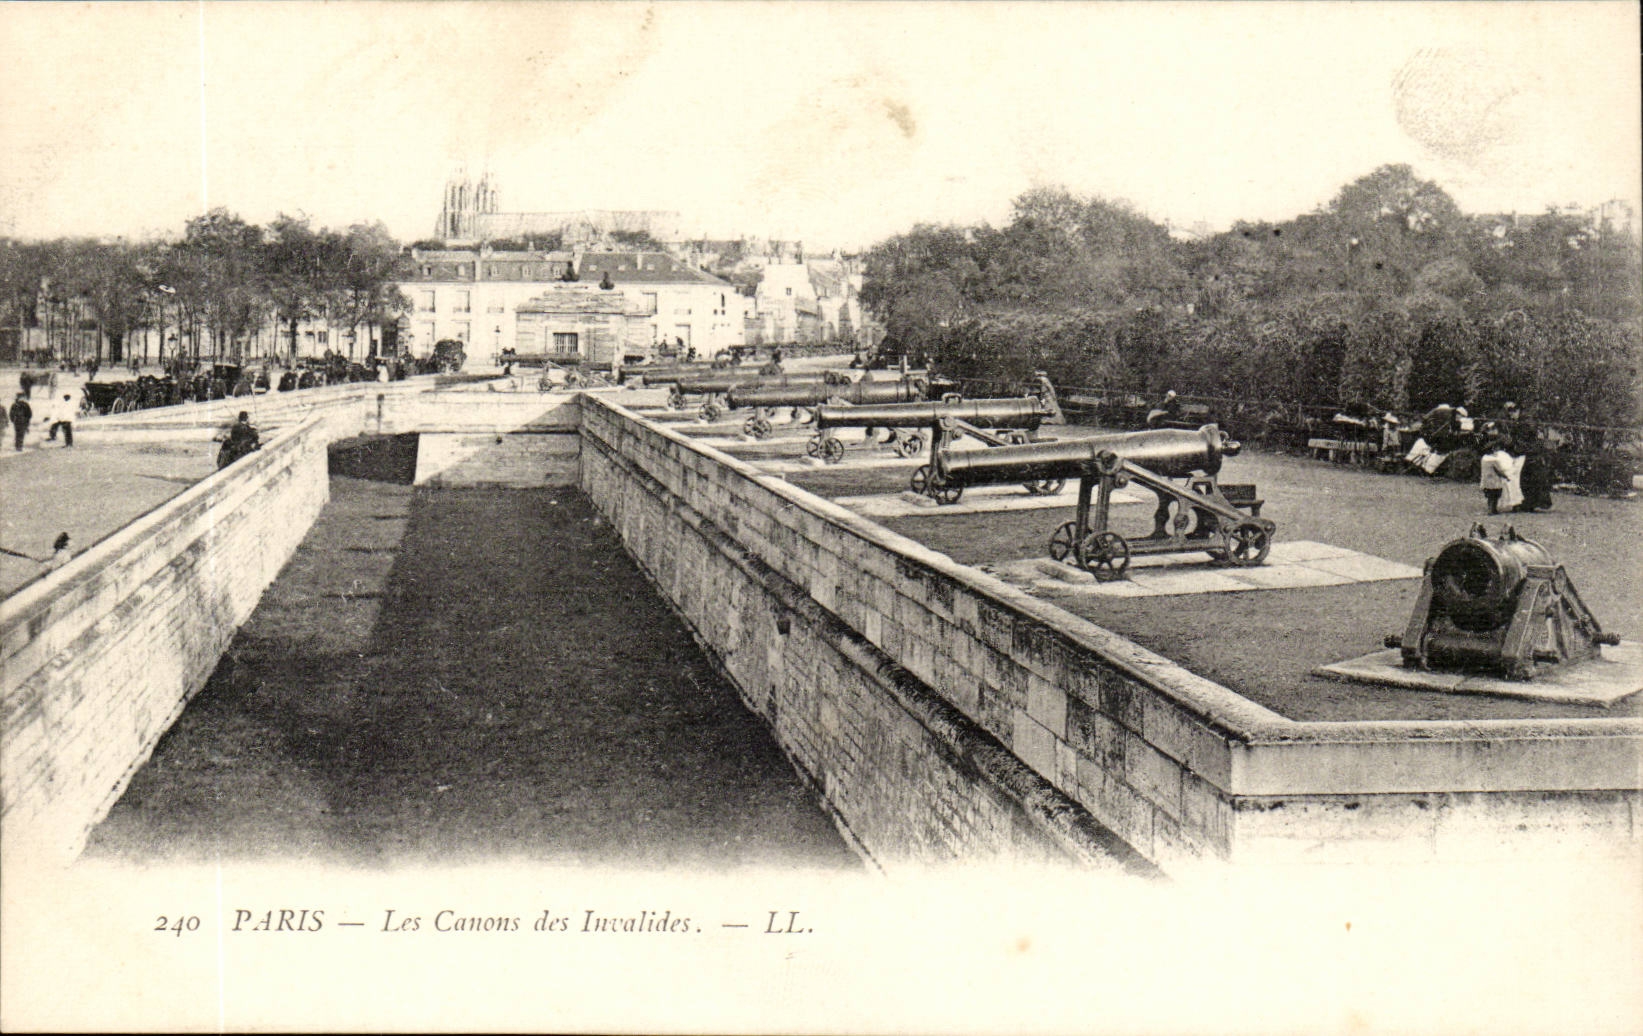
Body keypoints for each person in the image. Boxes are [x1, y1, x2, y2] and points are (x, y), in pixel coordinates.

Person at [1479, 438, 1521, 515]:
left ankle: (1490, 509)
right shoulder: (1494, 460)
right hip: (1494, 481)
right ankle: (1492, 510)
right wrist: (1506, 477)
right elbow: (1499, 470)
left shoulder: (1484, 458)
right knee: (1495, 496)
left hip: (1486, 480)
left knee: (1490, 496)